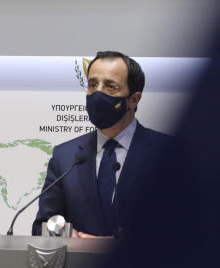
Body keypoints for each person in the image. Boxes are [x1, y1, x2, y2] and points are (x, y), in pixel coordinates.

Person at [32, 51, 170, 238]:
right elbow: (43, 225)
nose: (97, 93)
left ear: (133, 99)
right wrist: (69, 236)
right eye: (93, 85)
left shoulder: (169, 154)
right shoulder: (65, 157)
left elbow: (186, 227)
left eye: (110, 86)